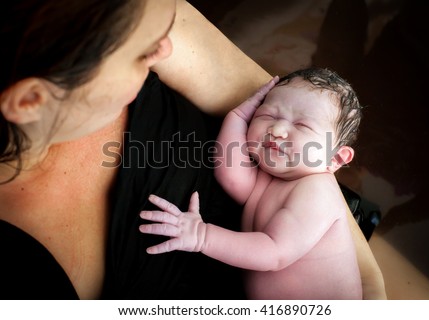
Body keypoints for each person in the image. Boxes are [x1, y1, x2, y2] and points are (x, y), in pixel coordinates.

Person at [0, 0, 385, 299]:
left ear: (336, 160)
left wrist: (371, 284)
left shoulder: (311, 181)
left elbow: (280, 250)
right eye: (141, 52)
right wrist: (243, 112)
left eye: (163, 29)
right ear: (32, 99)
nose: (163, 50)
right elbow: (232, 174)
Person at [140, 68, 363, 299]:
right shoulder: (273, 175)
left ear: (335, 158)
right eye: (268, 116)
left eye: (302, 126)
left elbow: (274, 252)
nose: (277, 130)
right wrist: (238, 117)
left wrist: (201, 235)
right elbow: (232, 177)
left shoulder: (318, 193)